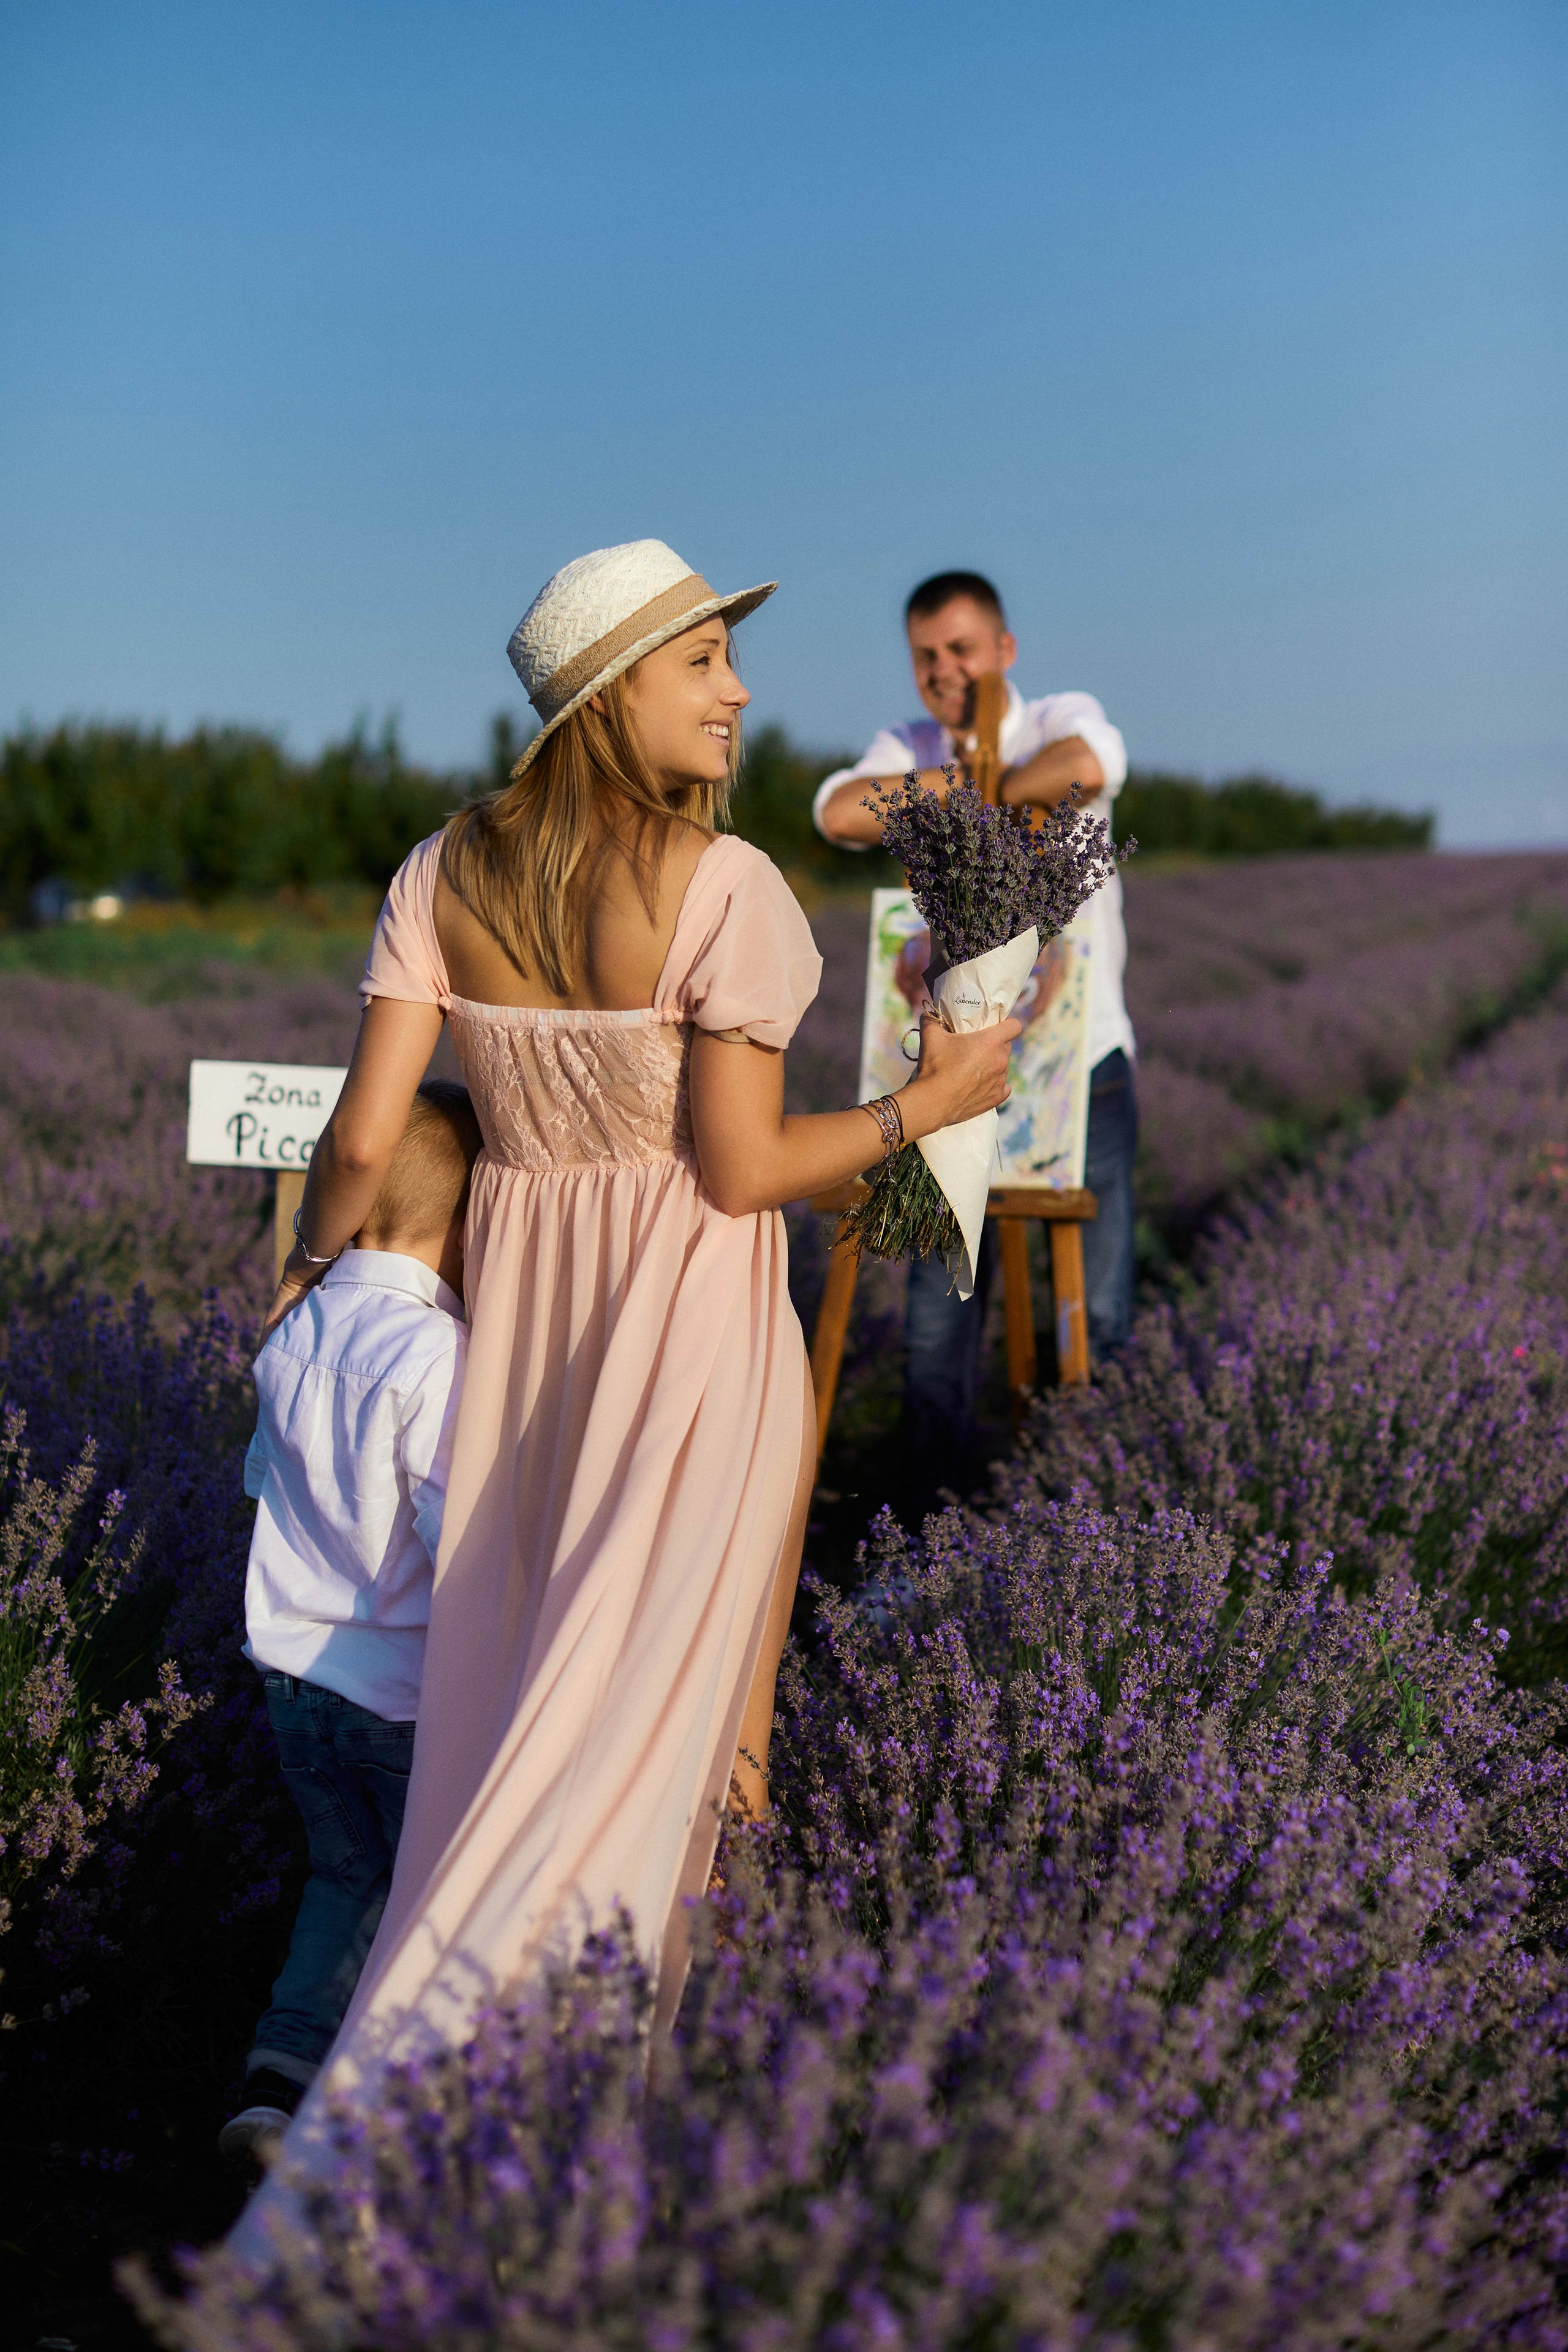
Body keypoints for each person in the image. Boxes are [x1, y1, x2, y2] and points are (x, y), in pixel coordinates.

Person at [229, 540, 1018, 2255]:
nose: (737, 691)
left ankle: (467, 2149)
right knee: (642, 1751)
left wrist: (307, 1276)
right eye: (701, 661)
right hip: (687, 1345)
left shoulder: (438, 870)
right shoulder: (724, 886)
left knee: (515, 1725)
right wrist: (930, 1102)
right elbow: (739, 1174)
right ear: (609, 694)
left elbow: (362, 1138)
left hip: (522, 1349)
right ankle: (542, 2165)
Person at [814, 569, 1137, 1503]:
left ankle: (1089, 1512)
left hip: (1079, 1063)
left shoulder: (1059, 716)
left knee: (1094, 1311)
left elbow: (1089, 763)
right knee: (939, 1310)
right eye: (926, 656)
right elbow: (837, 809)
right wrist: (972, 783)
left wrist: (966, 788)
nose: (944, 670)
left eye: (961, 649)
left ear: (1004, 649)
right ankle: (928, 1518)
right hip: (946, 1080)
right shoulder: (909, 742)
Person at [218, 1080, 481, 2166]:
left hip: (293, 1683)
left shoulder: (295, 1329)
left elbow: (260, 1484)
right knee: (426, 1896)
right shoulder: (439, 1356)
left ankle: (276, 2085)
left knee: (343, 1877)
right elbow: (455, 1538)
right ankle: (384, 2113)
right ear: (463, 1224)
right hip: (402, 1697)